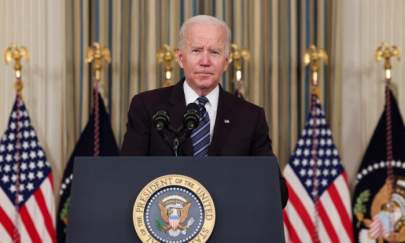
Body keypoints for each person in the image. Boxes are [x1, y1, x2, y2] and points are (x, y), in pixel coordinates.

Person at [121, 15, 288, 207]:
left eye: (215, 52)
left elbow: (277, 193)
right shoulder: (147, 107)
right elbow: (128, 177)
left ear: (226, 62)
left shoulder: (250, 117)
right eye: (196, 50)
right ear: (180, 58)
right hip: (169, 224)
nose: (205, 61)